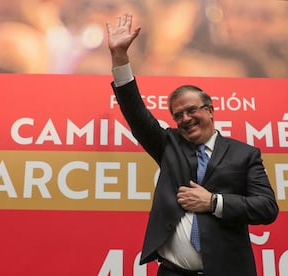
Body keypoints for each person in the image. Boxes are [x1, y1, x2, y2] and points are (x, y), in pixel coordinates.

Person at [106, 14, 278, 276]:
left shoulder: (244, 154)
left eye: (190, 110)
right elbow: (135, 111)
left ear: (209, 110)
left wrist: (213, 202)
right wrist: (119, 56)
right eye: (177, 115)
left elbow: (266, 207)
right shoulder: (169, 144)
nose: (184, 119)